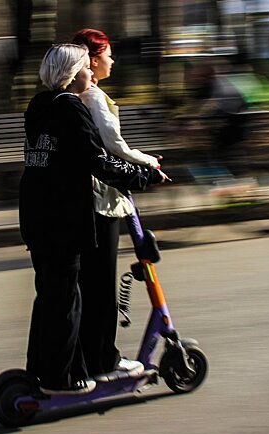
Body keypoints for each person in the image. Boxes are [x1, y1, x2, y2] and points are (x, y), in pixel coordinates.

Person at [19, 43, 164, 395]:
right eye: (86, 68)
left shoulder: (39, 105)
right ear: (72, 75)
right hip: (63, 217)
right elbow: (97, 160)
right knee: (65, 299)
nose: (91, 75)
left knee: (50, 297)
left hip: (37, 214)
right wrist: (142, 176)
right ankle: (62, 379)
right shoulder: (69, 108)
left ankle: (42, 370)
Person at [71, 29, 168, 383]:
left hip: (85, 200)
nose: (113, 60)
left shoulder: (73, 95)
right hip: (101, 201)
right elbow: (115, 145)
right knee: (100, 287)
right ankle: (104, 360)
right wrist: (150, 165)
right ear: (94, 60)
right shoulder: (92, 95)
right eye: (109, 54)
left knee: (89, 286)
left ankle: (88, 358)